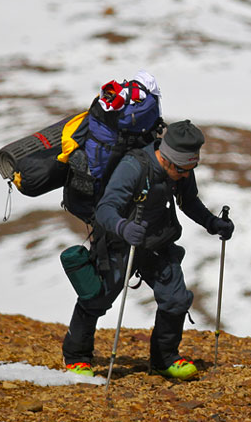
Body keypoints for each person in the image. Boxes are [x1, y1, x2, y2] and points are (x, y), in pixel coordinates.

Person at [62, 120, 235, 380]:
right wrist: (123, 227)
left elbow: (188, 201)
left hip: (158, 243)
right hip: (120, 245)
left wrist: (211, 222)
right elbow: (106, 209)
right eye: (182, 169)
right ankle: (76, 357)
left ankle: (164, 360)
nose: (187, 174)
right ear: (165, 159)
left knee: (176, 300)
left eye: (192, 167)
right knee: (97, 299)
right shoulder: (133, 167)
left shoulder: (182, 168)